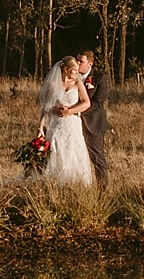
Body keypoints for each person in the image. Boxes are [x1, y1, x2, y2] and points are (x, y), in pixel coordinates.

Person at [32, 55, 95, 186]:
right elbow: (46, 107)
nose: (77, 74)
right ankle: (54, 183)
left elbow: (86, 103)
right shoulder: (53, 84)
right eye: (74, 71)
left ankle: (74, 184)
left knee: (73, 151)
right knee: (56, 150)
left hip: (72, 124)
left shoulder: (78, 84)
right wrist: (41, 126)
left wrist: (69, 111)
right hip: (56, 125)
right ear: (66, 69)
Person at [74, 49, 110, 185]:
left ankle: (103, 190)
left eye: (80, 61)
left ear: (90, 63)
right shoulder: (71, 75)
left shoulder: (100, 78)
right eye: (76, 59)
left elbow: (98, 102)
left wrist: (77, 111)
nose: (77, 63)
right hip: (73, 124)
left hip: (93, 123)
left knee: (97, 158)